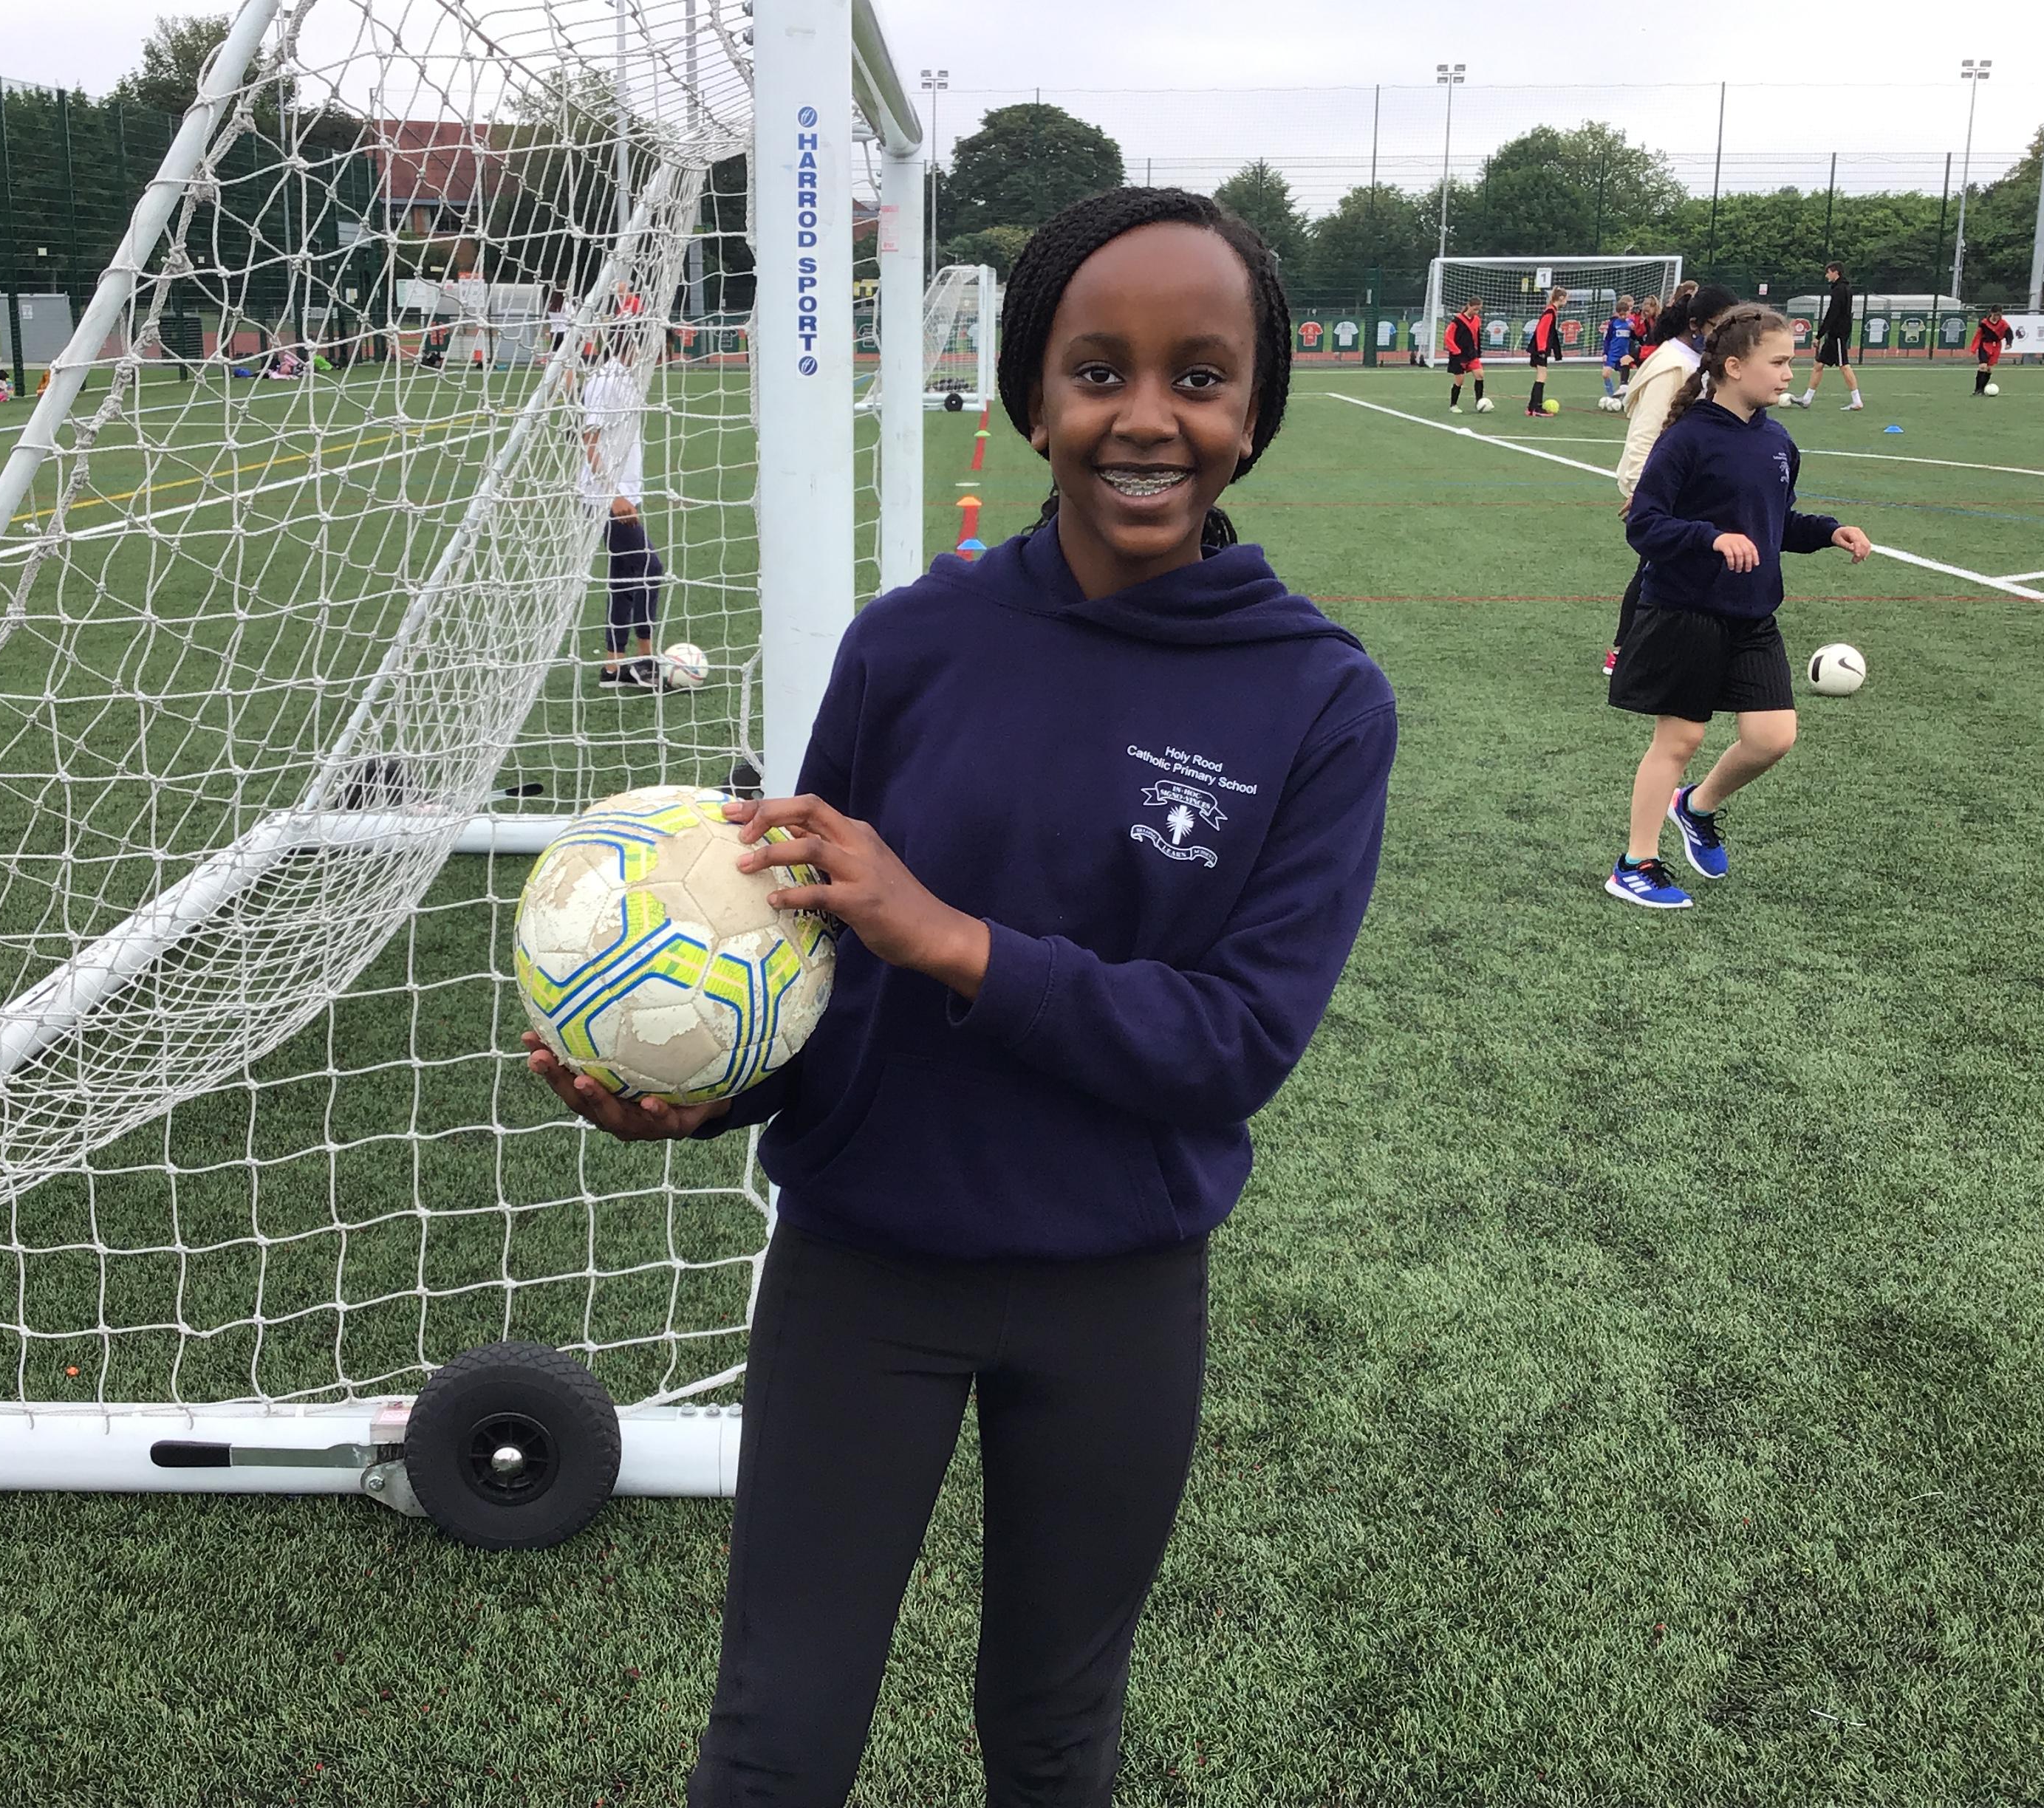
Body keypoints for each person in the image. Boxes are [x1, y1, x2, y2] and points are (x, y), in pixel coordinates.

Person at [525, 185, 1395, 1807]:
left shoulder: (1317, 697)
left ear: (1255, 410)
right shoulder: (908, 645)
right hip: (865, 1267)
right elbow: (808, 964)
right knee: (777, 1734)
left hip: (1115, 1289)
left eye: (1200, 377)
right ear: (1033, 397)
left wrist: (953, 938)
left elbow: (1232, 1046)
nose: (1147, 417)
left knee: (1052, 1728)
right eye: (1098, 371)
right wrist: (698, 1094)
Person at [1607, 303, 1873, 909]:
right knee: (1680, 740)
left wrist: (1828, 531)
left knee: (1773, 737)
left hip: (1753, 615)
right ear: (1733, 366)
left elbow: (1776, 522)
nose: (1788, 374)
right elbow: (1644, 525)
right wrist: (1710, 538)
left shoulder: (1777, 441)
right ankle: (1634, 864)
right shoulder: (1687, 439)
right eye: (1777, 363)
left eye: (1790, 363)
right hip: (1685, 610)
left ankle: (1696, 807)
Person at [1604, 283, 1740, 676]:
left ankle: (1682, 648)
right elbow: (1645, 433)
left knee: (1679, 567)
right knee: (1655, 568)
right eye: (1718, 326)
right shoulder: (1671, 364)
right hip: (1666, 486)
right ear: (1696, 324)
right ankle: (1623, 650)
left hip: (1694, 483)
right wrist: (1643, 490)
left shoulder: (1701, 361)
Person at [579, 326, 666, 688]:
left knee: (625, 578)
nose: (660, 357)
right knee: (650, 568)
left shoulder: (628, 380)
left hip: (624, 495)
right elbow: (589, 439)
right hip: (606, 499)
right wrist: (613, 495)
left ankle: (614, 668)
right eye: (656, 348)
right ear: (635, 345)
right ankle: (645, 662)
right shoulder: (606, 382)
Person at [1798, 261, 1863, 410]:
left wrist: (1819, 335)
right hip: (1834, 334)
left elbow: (1833, 314)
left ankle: (1857, 401)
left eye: (1828, 272)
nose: (1827, 276)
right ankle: (1807, 399)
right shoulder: (1843, 288)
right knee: (1819, 365)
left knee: (1844, 365)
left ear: (1836, 272)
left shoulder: (1840, 290)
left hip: (1838, 334)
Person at [1526, 284, 1568, 415]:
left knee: (1542, 375)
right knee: (1542, 375)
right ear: (1561, 298)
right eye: (1566, 298)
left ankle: (1532, 407)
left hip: (1540, 349)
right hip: (1539, 349)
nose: (1567, 301)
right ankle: (1536, 408)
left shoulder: (1552, 311)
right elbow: (1541, 331)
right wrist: (1542, 350)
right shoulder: (1550, 312)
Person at [1443, 297, 1486, 411]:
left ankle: (1479, 403)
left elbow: (1476, 337)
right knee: (1460, 381)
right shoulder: (1457, 321)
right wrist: (1455, 351)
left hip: (1471, 354)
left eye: (1479, 310)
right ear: (1469, 306)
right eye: (1475, 309)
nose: (1477, 312)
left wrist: (1477, 351)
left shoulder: (1477, 320)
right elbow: (1448, 337)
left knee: (1480, 375)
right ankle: (1453, 405)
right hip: (1459, 355)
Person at [1599, 295, 1639, 403]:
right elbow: (1607, 339)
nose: (1623, 316)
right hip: (1612, 354)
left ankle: (1625, 398)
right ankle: (1612, 397)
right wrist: (1605, 353)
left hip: (1624, 355)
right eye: (1621, 315)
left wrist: (1634, 330)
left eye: (1625, 314)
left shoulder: (1630, 325)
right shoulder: (1613, 324)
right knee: (1605, 374)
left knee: (1624, 379)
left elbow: (1635, 338)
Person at [1973, 306, 2009, 395]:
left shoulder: (2003, 324)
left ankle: (1982, 389)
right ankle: (1977, 390)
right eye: (1996, 315)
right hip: (1984, 345)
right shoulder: (1984, 323)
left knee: (1989, 369)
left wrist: (2009, 343)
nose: (1997, 317)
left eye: (1999, 315)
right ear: (1992, 313)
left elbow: (2009, 334)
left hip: (1995, 347)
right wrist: (1974, 347)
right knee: (1983, 366)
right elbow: (1978, 335)